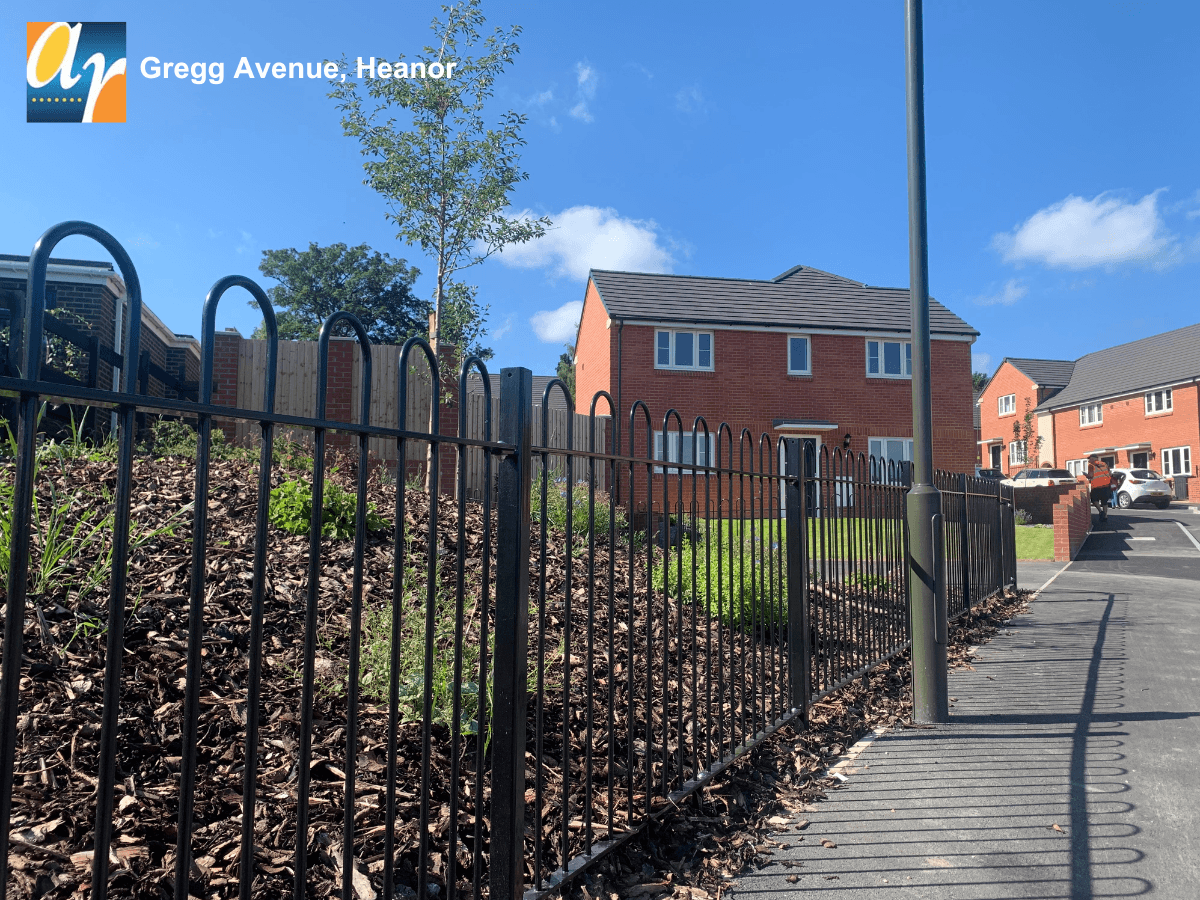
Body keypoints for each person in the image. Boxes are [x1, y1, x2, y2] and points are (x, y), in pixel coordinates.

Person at [1086, 454, 1115, 522]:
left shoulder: (1091, 465)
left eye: (1089, 459)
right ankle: (1105, 516)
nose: (1089, 460)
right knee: (1104, 502)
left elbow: (1091, 475)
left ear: (1093, 459)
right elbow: (1110, 474)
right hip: (1106, 486)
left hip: (1096, 486)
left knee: (1094, 500)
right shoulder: (1105, 464)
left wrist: (1087, 476)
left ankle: (1100, 511)